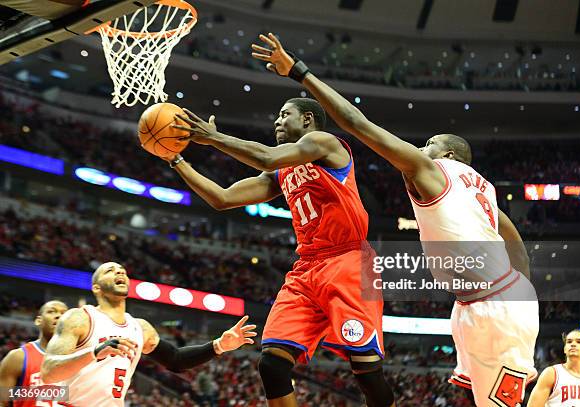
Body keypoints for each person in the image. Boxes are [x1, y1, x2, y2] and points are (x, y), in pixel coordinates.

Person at [251, 32, 539, 407]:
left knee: (504, 403)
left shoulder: (430, 168)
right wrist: (524, 290)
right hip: (479, 301)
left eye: (429, 143)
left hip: (496, 302)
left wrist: (300, 72)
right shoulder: (482, 187)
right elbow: (513, 237)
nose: (421, 148)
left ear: (447, 154)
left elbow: (357, 123)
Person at [167, 99, 396, 406]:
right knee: (272, 364)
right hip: (307, 268)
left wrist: (213, 137)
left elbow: (264, 156)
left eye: (285, 114)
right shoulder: (282, 172)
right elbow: (222, 199)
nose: (277, 120)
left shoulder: (324, 142)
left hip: (348, 260)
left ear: (307, 119)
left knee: (366, 372)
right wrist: (177, 161)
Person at [40, 262, 256, 406]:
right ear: (96, 288)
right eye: (110, 270)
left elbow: (176, 360)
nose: (119, 272)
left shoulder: (140, 328)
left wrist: (219, 345)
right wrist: (95, 352)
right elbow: (49, 372)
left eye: (122, 270)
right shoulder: (80, 318)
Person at [0, 300, 68, 407]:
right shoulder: (18, 357)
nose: (59, 316)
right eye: (51, 311)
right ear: (38, 321)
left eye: (64, 313)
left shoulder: (79, 358)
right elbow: (3, 401)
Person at [527, 329, 580, 407]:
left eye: (579, 342)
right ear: (565, 349)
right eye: (569, 342)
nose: (573, 344)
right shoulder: (552, 373)